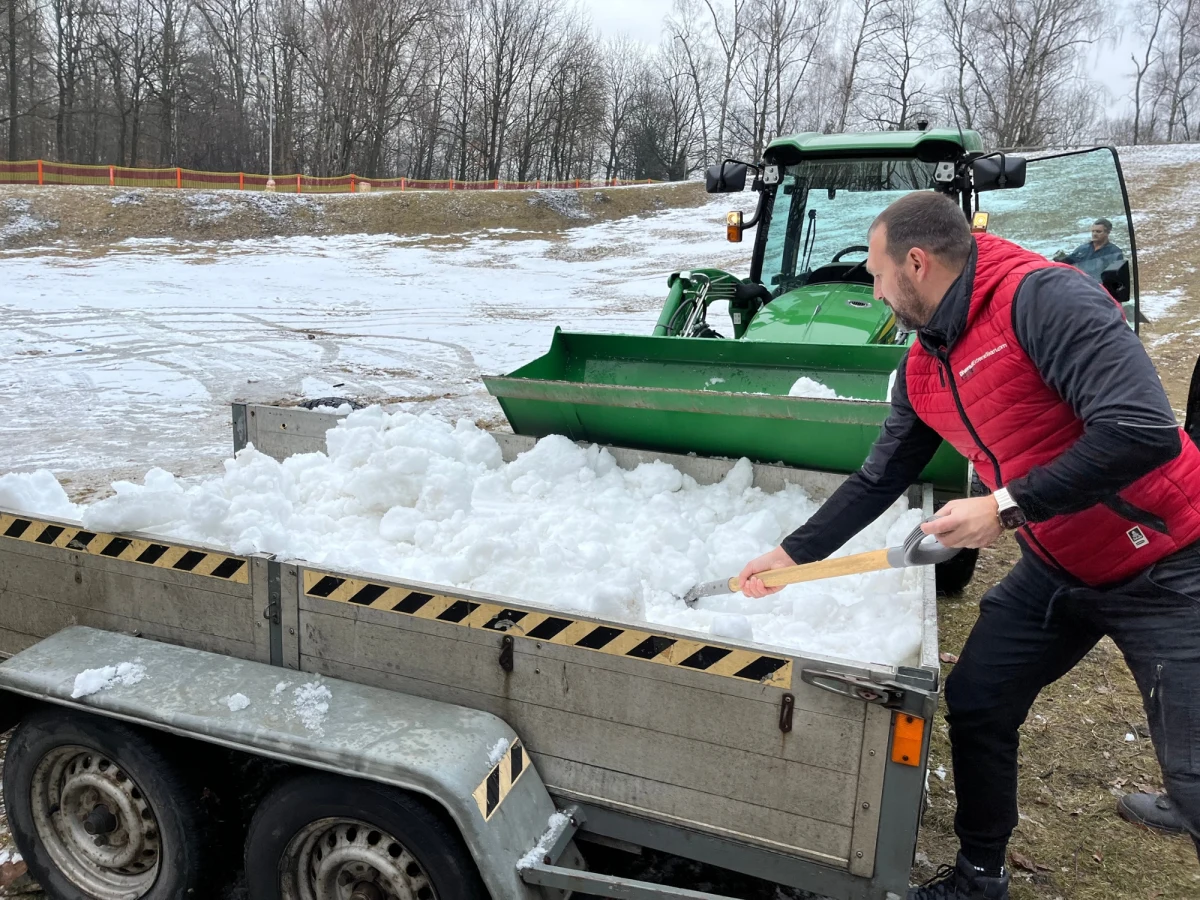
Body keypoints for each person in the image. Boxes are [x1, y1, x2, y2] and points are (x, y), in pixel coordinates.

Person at [738, 192, 1200, 900]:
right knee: (980, 699)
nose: (873, 286)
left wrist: (1005, 507)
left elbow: (1143, 430)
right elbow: (882, 473)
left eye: (876, 270)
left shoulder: (1042, 300)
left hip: (1168, 560)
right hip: (1059, 563)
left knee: (1195, 770)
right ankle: (980, 876)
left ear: (916, 263)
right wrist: (795, 554)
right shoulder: (925, 363)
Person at [1053, 217, 1124, 281]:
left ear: (1107, 233)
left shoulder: (1115, 252)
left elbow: (1115, 277)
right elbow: (1070, 264)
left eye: (1098, 231)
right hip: (1081, 284)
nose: (1094, 234)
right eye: (1093, 231)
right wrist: (1062, 259)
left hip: (1100, 288)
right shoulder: (1082, 249)